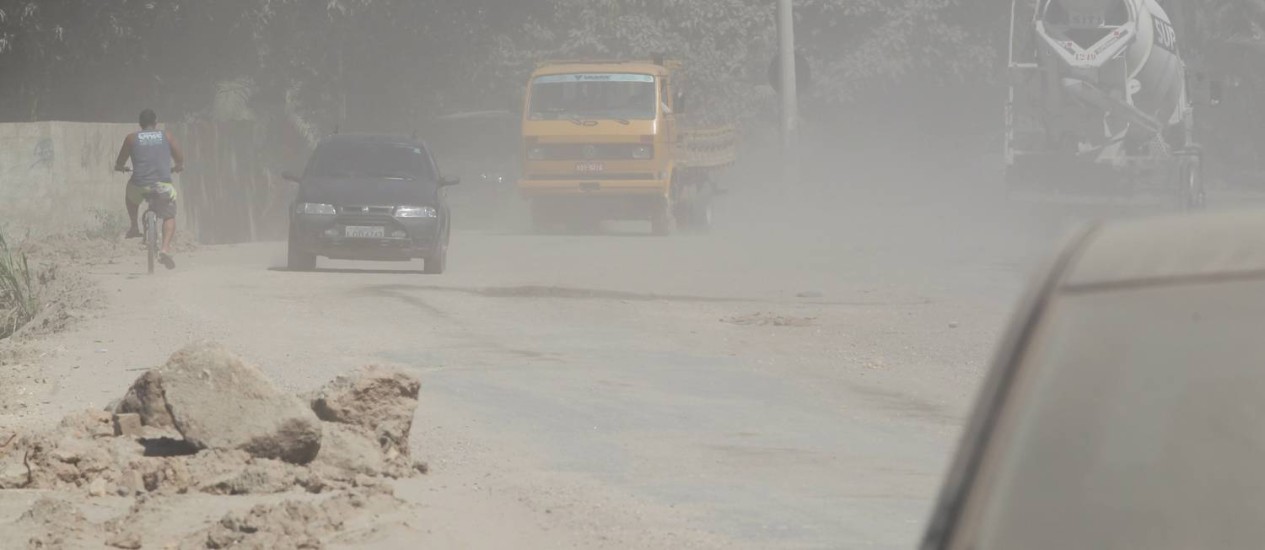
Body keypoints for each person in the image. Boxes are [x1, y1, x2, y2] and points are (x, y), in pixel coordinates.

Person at [114, 109, 184, 269]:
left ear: (140, 123)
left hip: (139, 184)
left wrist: (120, 167)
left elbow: (120, 160)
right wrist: (179, 166)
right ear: (156, 122)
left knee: (130, 195)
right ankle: (165, 249)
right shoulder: (167, 136)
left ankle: (134, 226)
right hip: (163, 186)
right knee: (169, 216)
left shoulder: (131, 138)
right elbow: (180, 157)